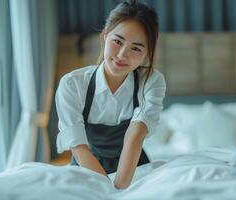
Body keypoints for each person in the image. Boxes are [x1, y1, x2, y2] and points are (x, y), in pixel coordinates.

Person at [55, 0, 165, 189]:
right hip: (85, 167)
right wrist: (107, 190)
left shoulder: (151, 81)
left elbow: (135, 134)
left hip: (133, 171)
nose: (122, 54)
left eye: (136, 48)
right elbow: (79, 148)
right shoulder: (73, 84)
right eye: (117, 41)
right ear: (105, 36)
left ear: (147, 53)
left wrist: (120, 189)